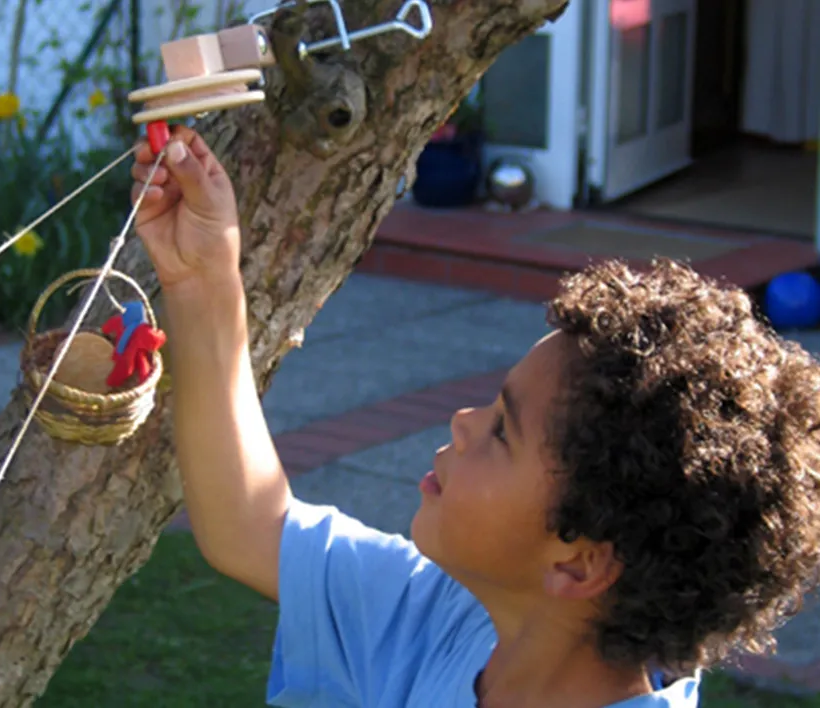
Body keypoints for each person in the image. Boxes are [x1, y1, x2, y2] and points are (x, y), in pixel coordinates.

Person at [130, 125, 820, 707]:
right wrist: (202, 278)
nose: (461, 420)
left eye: (501, 430)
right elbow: (251, 526)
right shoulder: (448, 616)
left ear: (577, 564)